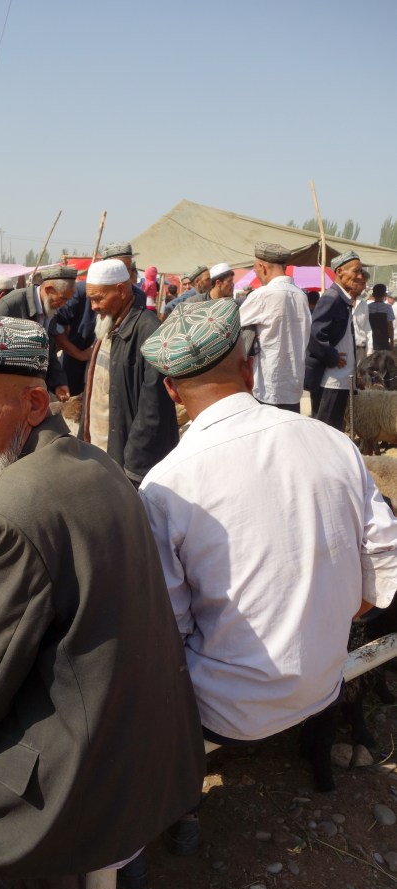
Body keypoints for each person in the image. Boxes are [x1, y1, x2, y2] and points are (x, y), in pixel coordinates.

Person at [0, 314, 205, 889]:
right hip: (159, 756)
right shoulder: (99, 463)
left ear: (32, 403)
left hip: (86, 789)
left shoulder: (11, 507)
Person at [139, 296, 397, 753]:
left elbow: (167, 627)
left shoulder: (164, 487)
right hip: (324, 682)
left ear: (172, 391)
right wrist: (320, 620)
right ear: (249, 371)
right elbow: (383, 561)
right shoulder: (332, 442)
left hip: (226, 712)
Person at [79, 259, 179, 486]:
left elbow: (153, 409)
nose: (93, 306)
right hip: (100, 451)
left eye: (98, 298)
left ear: (121, 291)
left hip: (127, 462)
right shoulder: (107, 324)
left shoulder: (149, 331)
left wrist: (132, 466)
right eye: (91, 299)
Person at [55, 243, 147, 396]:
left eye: (128, 270)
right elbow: (56, 329)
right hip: (75, 370)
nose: (125, 276)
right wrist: (80, 354)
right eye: (119, 268)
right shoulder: (80, 291)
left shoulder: (137, 297)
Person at [238, 242, 311, 412]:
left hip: (267, 386)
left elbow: (233, 326)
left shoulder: (263, 295)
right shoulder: (301, 296)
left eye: (255, 270)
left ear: (262, 267)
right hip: (293, 385)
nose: (257, 275)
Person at [0, 265, 77, 401]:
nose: (64, 304)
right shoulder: (11, 304)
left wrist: (59, 382)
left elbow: (48, 352)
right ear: (48, 290)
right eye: (62, 298)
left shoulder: (51, 310)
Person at [305, 250, 367, 430]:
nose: (359, 276)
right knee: (326, 432)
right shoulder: (331, 298)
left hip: (340, 380)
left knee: (334, 430)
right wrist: (332, 357)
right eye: (356, 271)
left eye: (360, 271)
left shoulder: (342, 299)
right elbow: (315, 335)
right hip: (329, 381)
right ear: (340, 272)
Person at [367, 283, 394, 351]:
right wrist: (392, 342)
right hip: (383, 341)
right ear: (385, 295)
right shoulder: (388, 307)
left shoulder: (368, 307)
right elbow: (390, 327)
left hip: (370, 340)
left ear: (373, 295)